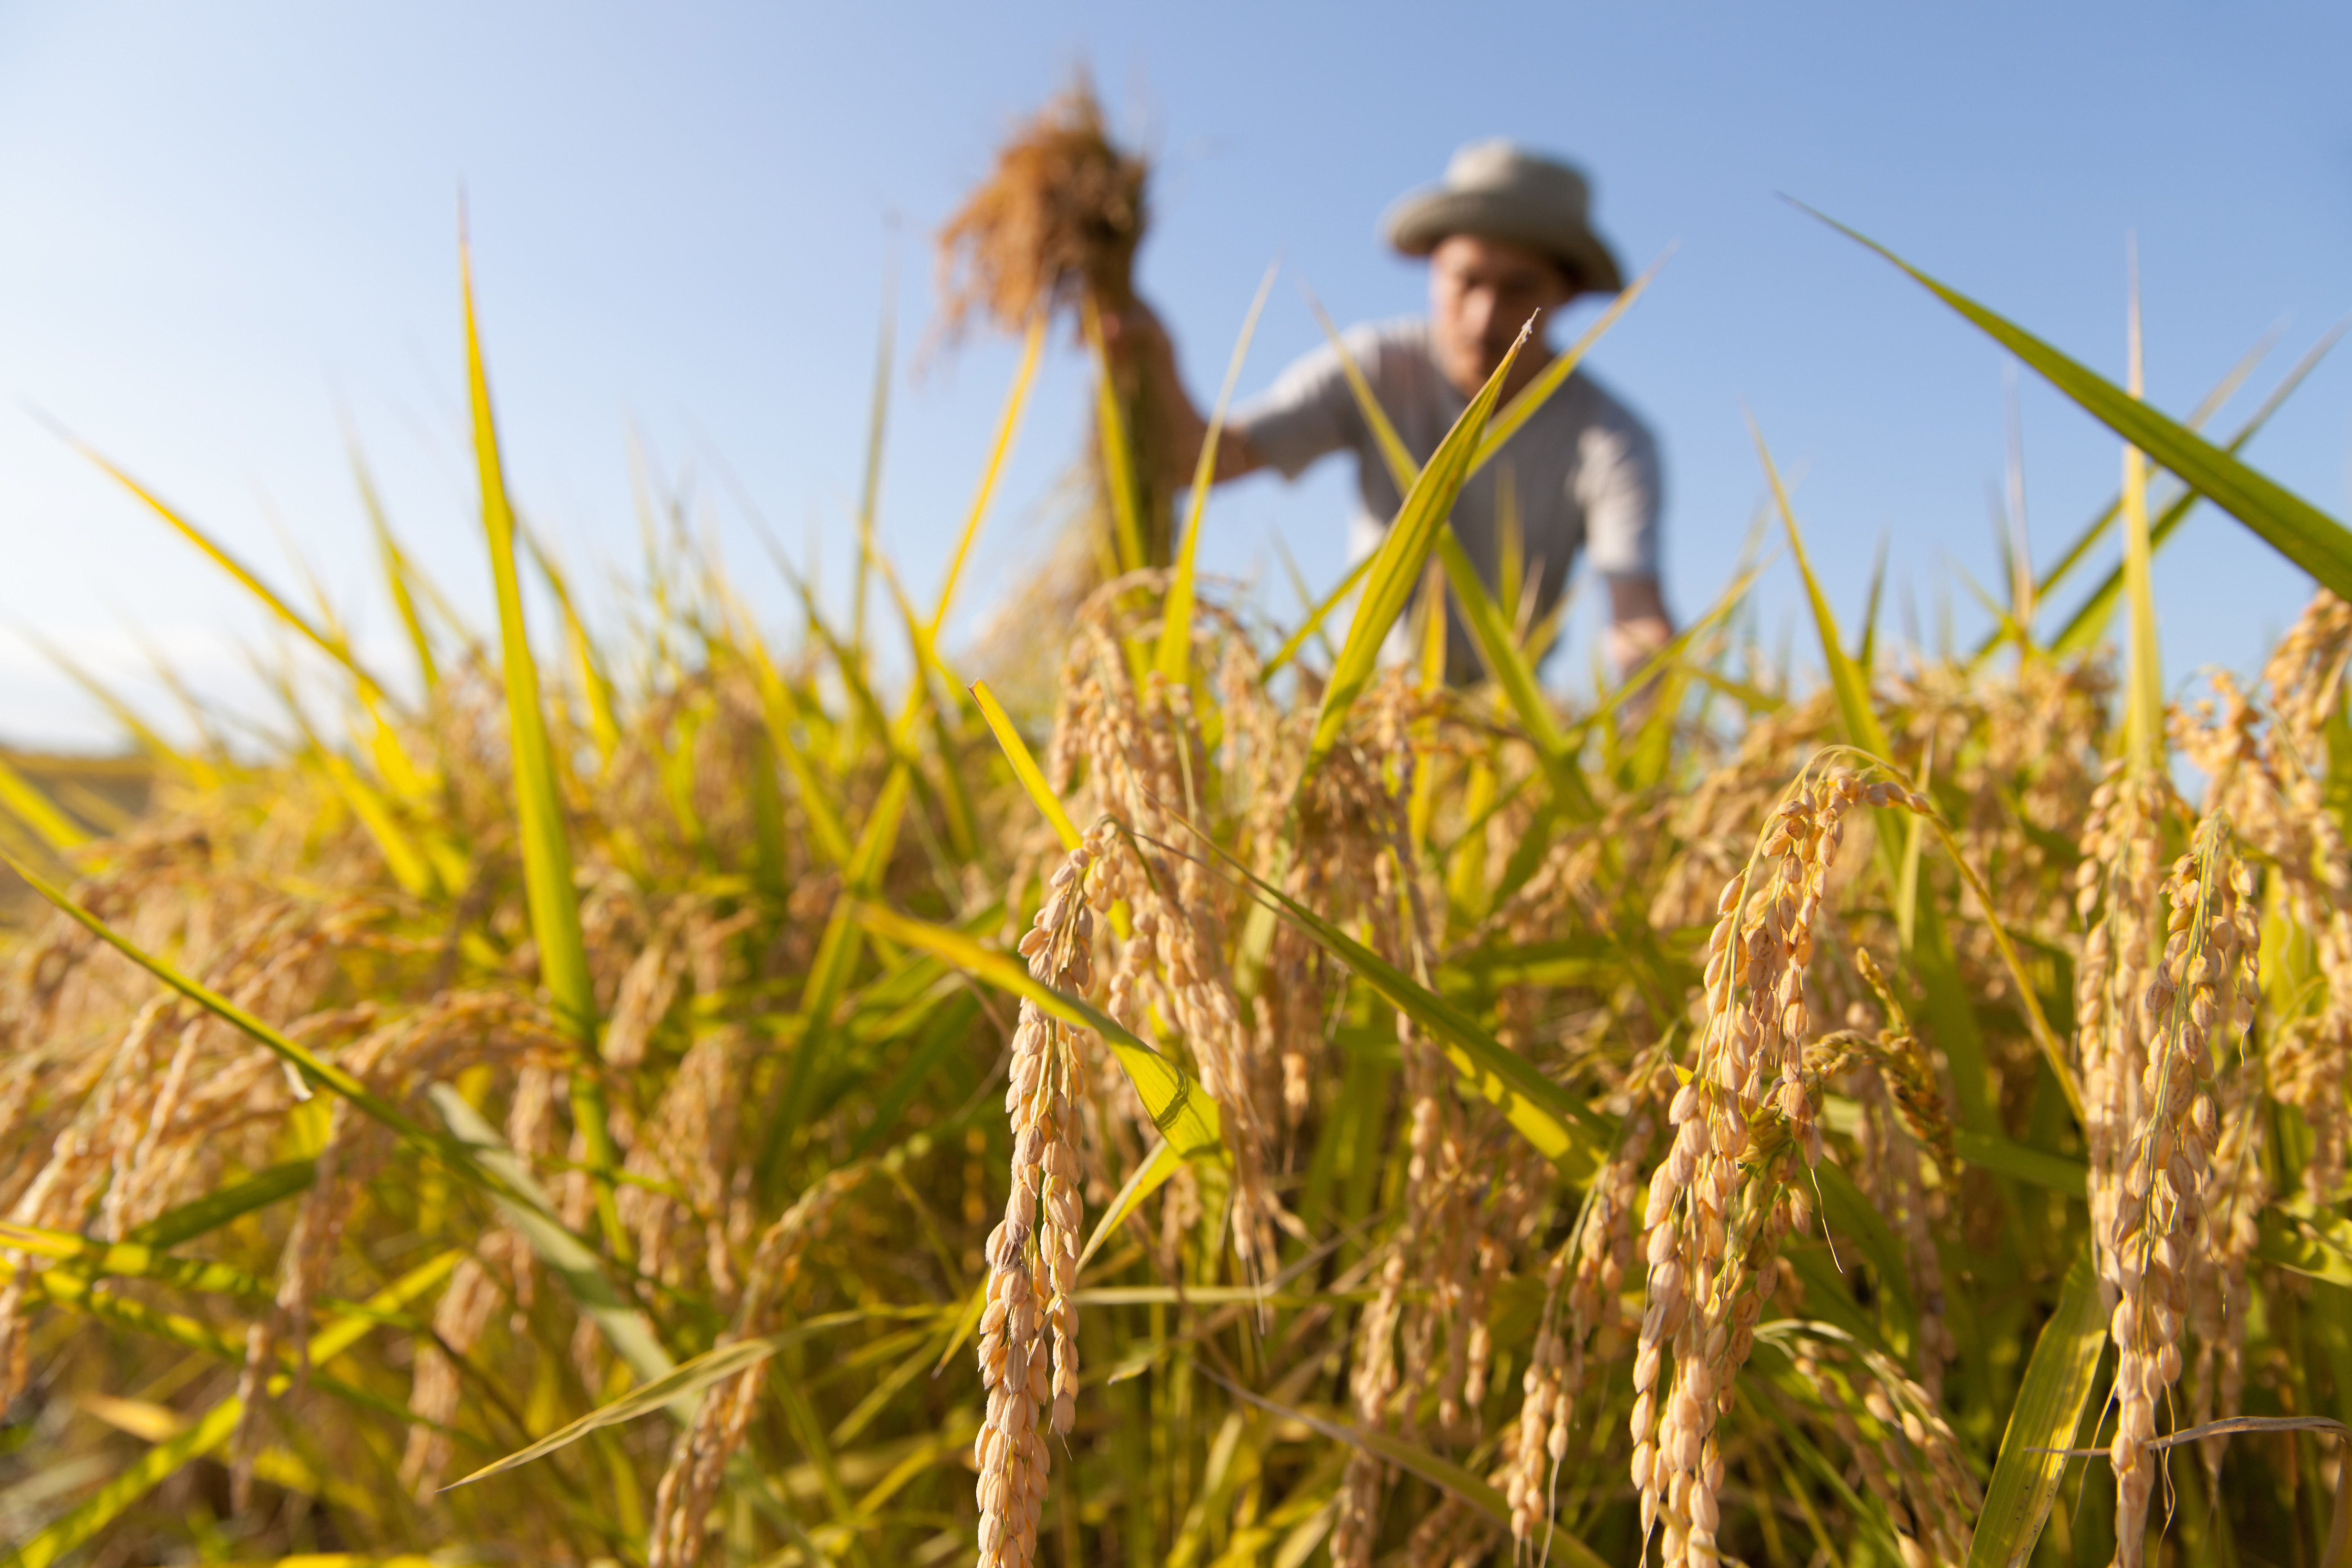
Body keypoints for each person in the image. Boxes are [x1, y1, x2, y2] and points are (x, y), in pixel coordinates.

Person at [1106, 139, 1671, 688]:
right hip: (1373, 697)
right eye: (1467, 280)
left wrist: (1649, 728)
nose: (1484, 318)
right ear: (1433, 267)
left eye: (1520, 289)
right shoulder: (1376, 369)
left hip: (1505, 723)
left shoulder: (1611, 440)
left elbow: (1634, 611)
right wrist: (1152, 362)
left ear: (1568, 292)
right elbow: (1203, 462)